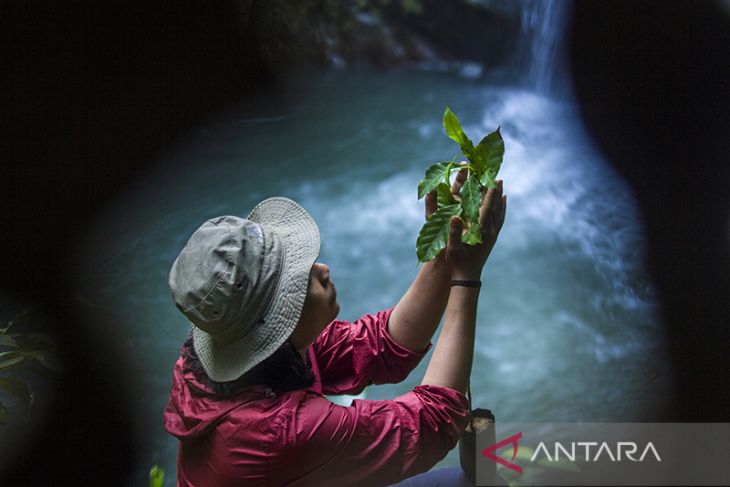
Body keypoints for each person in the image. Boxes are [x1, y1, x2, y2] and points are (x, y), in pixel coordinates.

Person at [163, 166, 507, 486]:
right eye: (300, 279)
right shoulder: (279, 433)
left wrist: (444, 254)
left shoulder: (243, 353)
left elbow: (381, 346)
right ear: (279, 320)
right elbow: (433, 422)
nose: (323, 269)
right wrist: (466, 278)